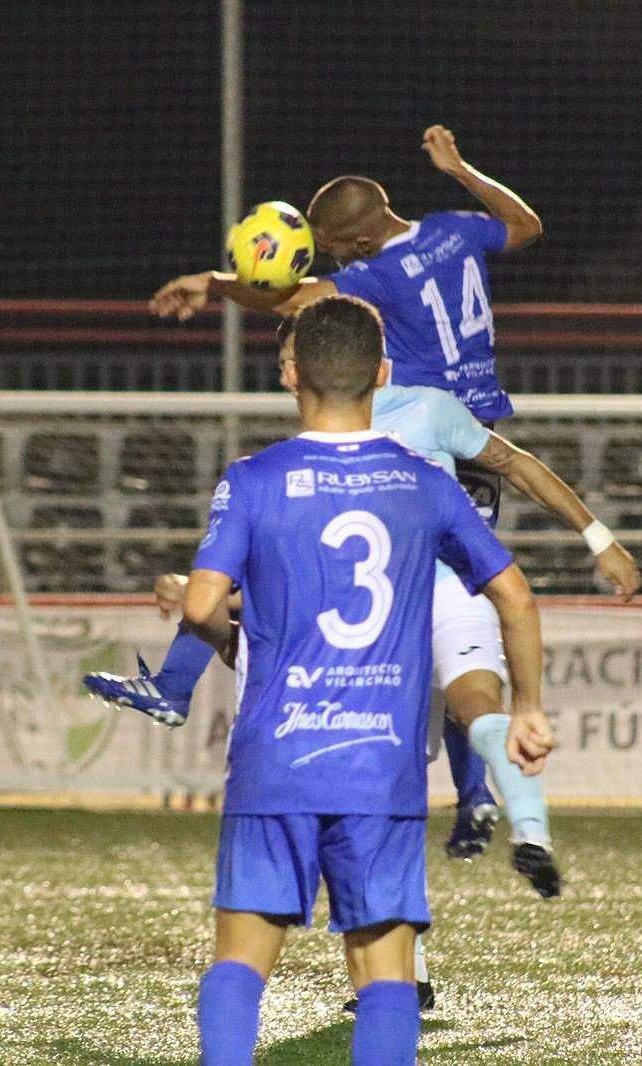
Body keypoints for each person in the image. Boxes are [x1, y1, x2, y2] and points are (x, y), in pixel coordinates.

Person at [91, 314, 641, 905]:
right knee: (478, 708)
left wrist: (214, 597)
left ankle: (407, 964)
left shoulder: (287, 463)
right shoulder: (426, 416)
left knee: (383, 773)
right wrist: (598, 539)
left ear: (307, 371)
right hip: (452, 588)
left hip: (381, 616)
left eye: (289, 362)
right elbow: (514, 475)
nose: (285, 375)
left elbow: (314, 571)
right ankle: (529, 828)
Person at [150, 124, 543, 856]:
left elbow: (292, 302)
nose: (329, 260)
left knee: (374, 605)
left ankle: (381, 769)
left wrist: (214, 282)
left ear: (355, 245)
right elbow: (526, 225)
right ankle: (476, 800)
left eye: (330, 248)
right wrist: (461, 170)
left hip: (414, 448)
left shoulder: (377, 274)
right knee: (456, 625)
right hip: (470, 448)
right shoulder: (454, 231)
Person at [185, 295, 552, 1065]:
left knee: (240, 960)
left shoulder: (254, 479)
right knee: (387, 972)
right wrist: (529, 709)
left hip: (275, 759)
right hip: (379, 766)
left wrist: (228, 631)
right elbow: (514, 595)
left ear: (294, 378)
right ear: (383, 374)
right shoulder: (425, 481)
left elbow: (200, 605)